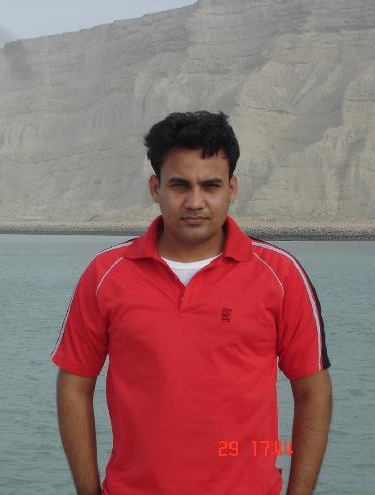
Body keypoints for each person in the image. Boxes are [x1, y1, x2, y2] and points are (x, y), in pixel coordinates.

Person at [51, 111, 332, 495]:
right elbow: (74, 385)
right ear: (156, 188)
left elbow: (312, 391)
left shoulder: (281, 276)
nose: (195, 201)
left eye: (210, 186)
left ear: (232, 188)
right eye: (180, 185)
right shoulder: (106, 274)